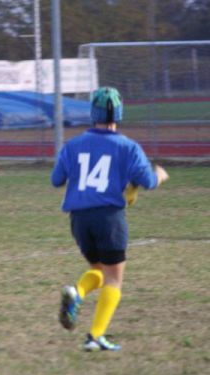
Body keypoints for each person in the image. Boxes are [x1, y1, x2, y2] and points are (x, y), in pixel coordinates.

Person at [51, 87, 169, 352]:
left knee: (100, 272)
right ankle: (95, 336)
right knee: (114, 279)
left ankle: (77, 293)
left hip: (79, 220)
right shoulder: (128, 147)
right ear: (119, 113)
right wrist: (159, 174)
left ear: (92, 113)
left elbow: (56, 180)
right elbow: (147, 181)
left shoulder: (73, 145)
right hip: (109, 219)